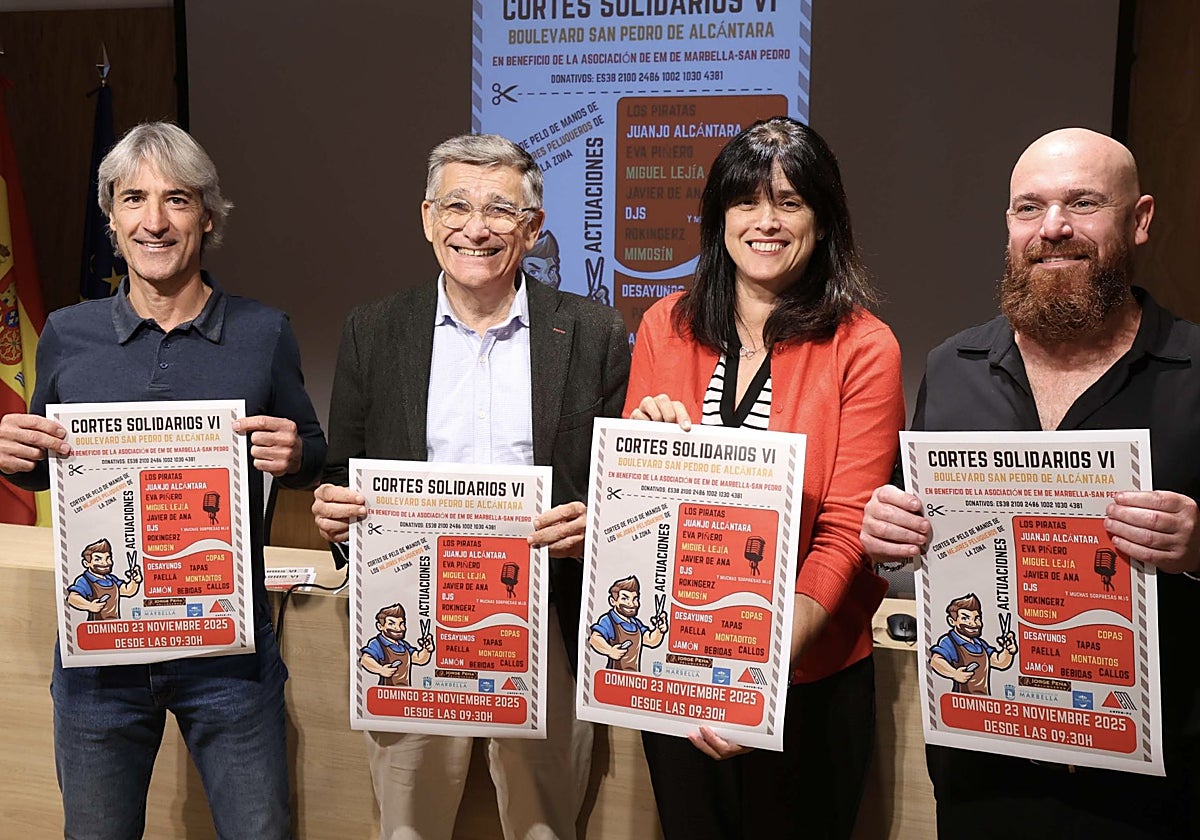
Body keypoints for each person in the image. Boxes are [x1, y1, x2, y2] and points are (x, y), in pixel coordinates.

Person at [861, 127, 1200, 838]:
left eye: (1083, 203)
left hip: (1158, 787)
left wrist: (1199, 546)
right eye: (1029, 208)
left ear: (1139, 220)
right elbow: (911, 529)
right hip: (985, 770)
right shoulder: (952, 368)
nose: (1054, 229)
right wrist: (887, 535)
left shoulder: (1196, 371)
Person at [0, 121, 327, 839]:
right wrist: (11, 449)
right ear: (111, 217)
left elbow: (311, 447)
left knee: (260, 831)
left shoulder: (262, 331)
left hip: (228, 657)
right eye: (133, 199)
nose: (154, 221)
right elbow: (46, 466)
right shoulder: (67, 333)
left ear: (207, 216)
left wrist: (298, 453)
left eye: (177, 200)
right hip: (99, 660)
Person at [311, 133, 629, 840]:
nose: (475, 228)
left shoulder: (592, 331)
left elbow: (617, 495)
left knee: (544, 829)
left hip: (545, 625)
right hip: (412, 625)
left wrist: (593, 528)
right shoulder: (375, 330)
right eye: (457, 206)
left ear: (533, 227)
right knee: (407, 830)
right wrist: (332, 514)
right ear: (428, 218)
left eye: (499, 211)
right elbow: (343, 472)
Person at [626, 116, 904, 839]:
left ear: (823, 218)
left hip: (805, 678)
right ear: (720, 217)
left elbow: (846, 535)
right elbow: (634, 508)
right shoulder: (666, 325)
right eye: (746, 201)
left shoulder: (864, 346)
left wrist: (755, 677)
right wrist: (641, 451)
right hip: (678, 668)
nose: (766, 221)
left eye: (789, 202)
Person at [928, 593, 1016, 695]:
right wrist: (954, 673)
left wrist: (1008, 651)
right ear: (952, 621)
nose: (973, 623)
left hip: (983, 701)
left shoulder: (980, 644)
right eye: (965, 618)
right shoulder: (950, 642)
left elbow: (1000, 662)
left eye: (977, 618)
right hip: (961, 702)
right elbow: (935, 660)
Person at [586, 575, 668, 671]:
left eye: (635, 599)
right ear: (613, 601)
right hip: (614, 677)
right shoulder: (609, 620)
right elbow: (594, 638)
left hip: (633, 678)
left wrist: (659, 630)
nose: (631, 603)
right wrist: (609, 650)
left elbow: (650, 641)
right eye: (625, 598)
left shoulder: (635, 623)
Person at [66, 537, 142, 619]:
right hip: (96, 627)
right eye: (98, 559)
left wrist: (135, 581)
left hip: (115, 625)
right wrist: (89, 605)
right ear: (86, 563)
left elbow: (127, 591)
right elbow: (72, 598)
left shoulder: (111, 579)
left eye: (108, 558)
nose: (105, 563)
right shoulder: (85, 581)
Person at [360, 603, 434, 687]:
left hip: (404, 692)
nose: (398, 628)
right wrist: (380, 669)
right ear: (380, 626)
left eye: (401, 624)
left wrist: (427, 649)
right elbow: (365, 659)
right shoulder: (378, 643)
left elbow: (419, 659)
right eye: (391, 624)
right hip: (386, 693)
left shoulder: (403, 645)